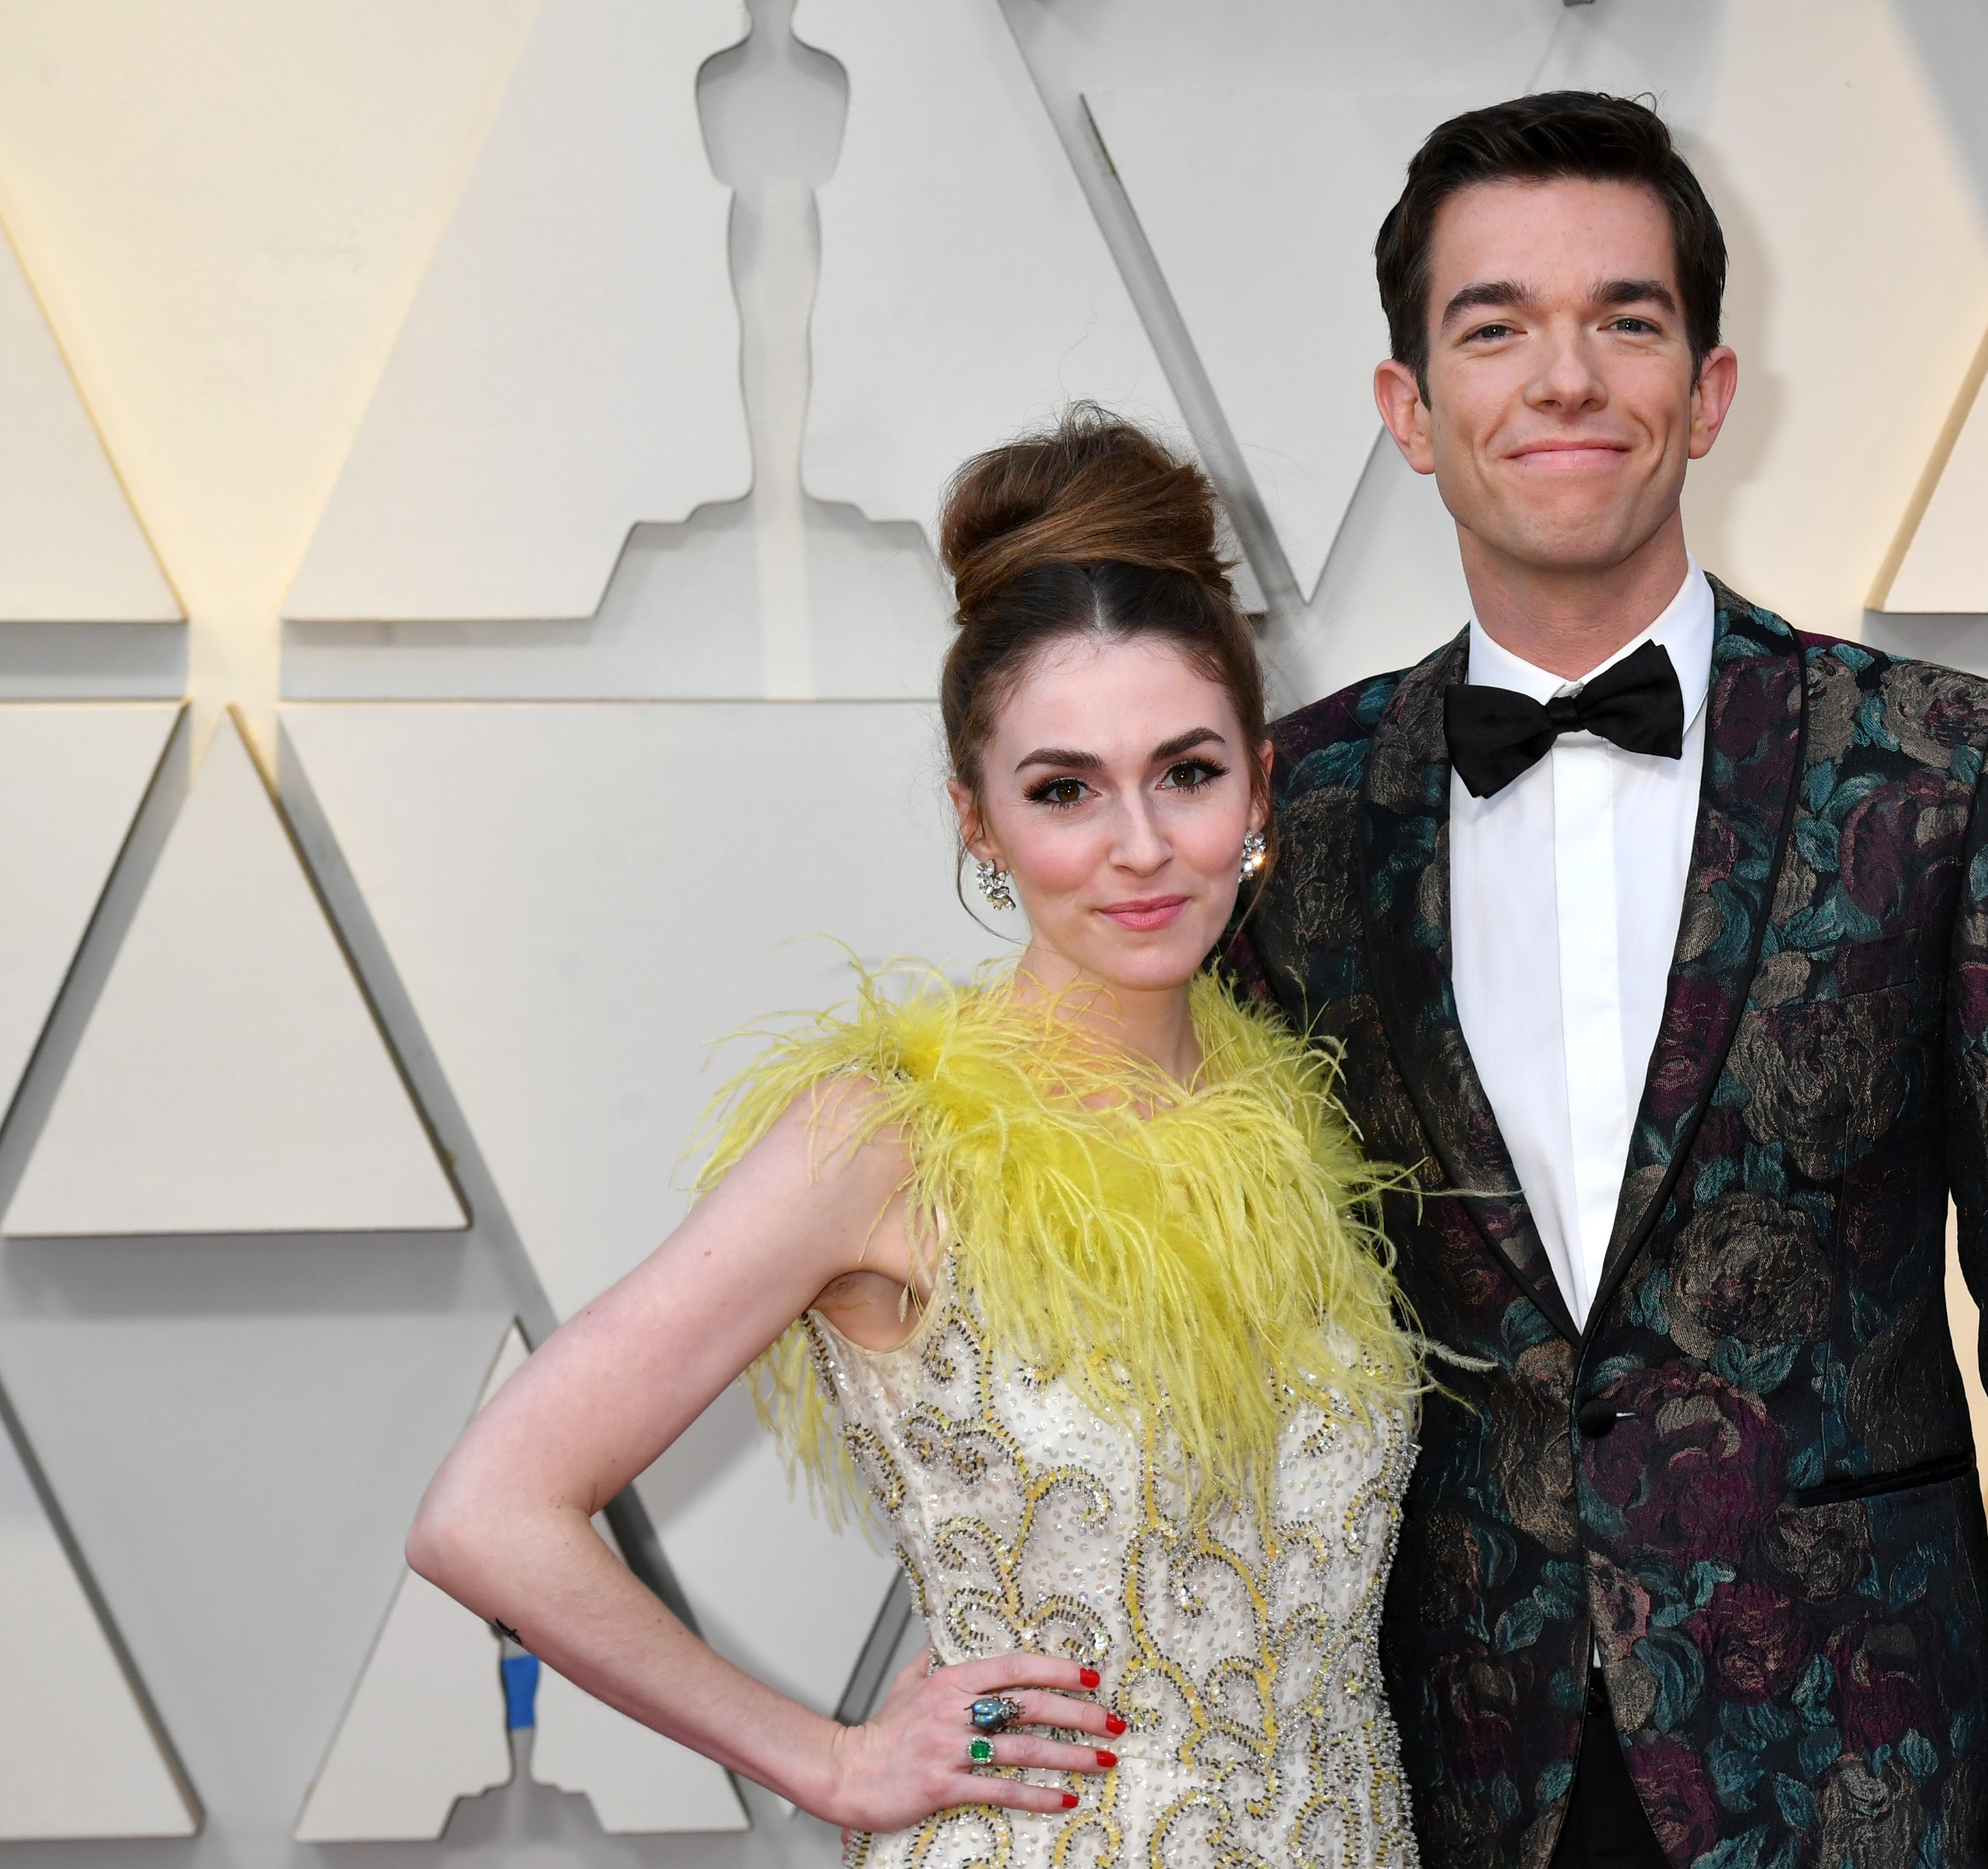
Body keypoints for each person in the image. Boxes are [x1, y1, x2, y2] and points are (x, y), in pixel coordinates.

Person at [1222, 93, 1988, 1869]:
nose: (1565, 376)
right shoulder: (1296, 816)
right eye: (1494, 325)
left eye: (1627, 319)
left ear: (1712, 389)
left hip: (1868, 1781)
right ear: (1409, 414)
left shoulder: (1949, 772)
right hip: (1443, 1784)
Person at [409, 410, 1429, 1868]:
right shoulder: (883, 1140)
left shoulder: (1301, 1125)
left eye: (1187, 773)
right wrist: (828, 1759)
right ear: (978, 821)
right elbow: (486, 1511)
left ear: (1260, 789)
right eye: (1064, 789)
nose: (1139, 845)